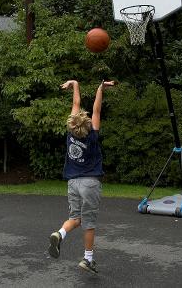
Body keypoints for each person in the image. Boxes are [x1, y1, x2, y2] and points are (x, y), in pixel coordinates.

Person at [48, 79, 115, 274]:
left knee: (75, 218)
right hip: (90, 183)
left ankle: (59, 233)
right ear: (87, 124)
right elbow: (97, 110)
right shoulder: (92, 135)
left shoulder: (70, 133)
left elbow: (76, 104)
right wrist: (100, 88)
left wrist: (75, 84)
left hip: (73, 183)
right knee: (89, 223)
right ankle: (88, 259)